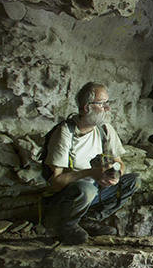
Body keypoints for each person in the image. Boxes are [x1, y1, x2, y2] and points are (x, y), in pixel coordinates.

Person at [41, 82, 140, 245]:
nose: (107, 108)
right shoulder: (65, 132)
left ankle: (87, 220)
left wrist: (115, 174)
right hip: (67, 197)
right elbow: (56, 183)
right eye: (102, 104)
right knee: (86, 188)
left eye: (107, 103)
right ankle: (67, 226)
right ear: (87, 107)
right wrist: (89, 173)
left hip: (94, 190)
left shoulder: (105, 129)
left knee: (132, 181)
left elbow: (119, 163)